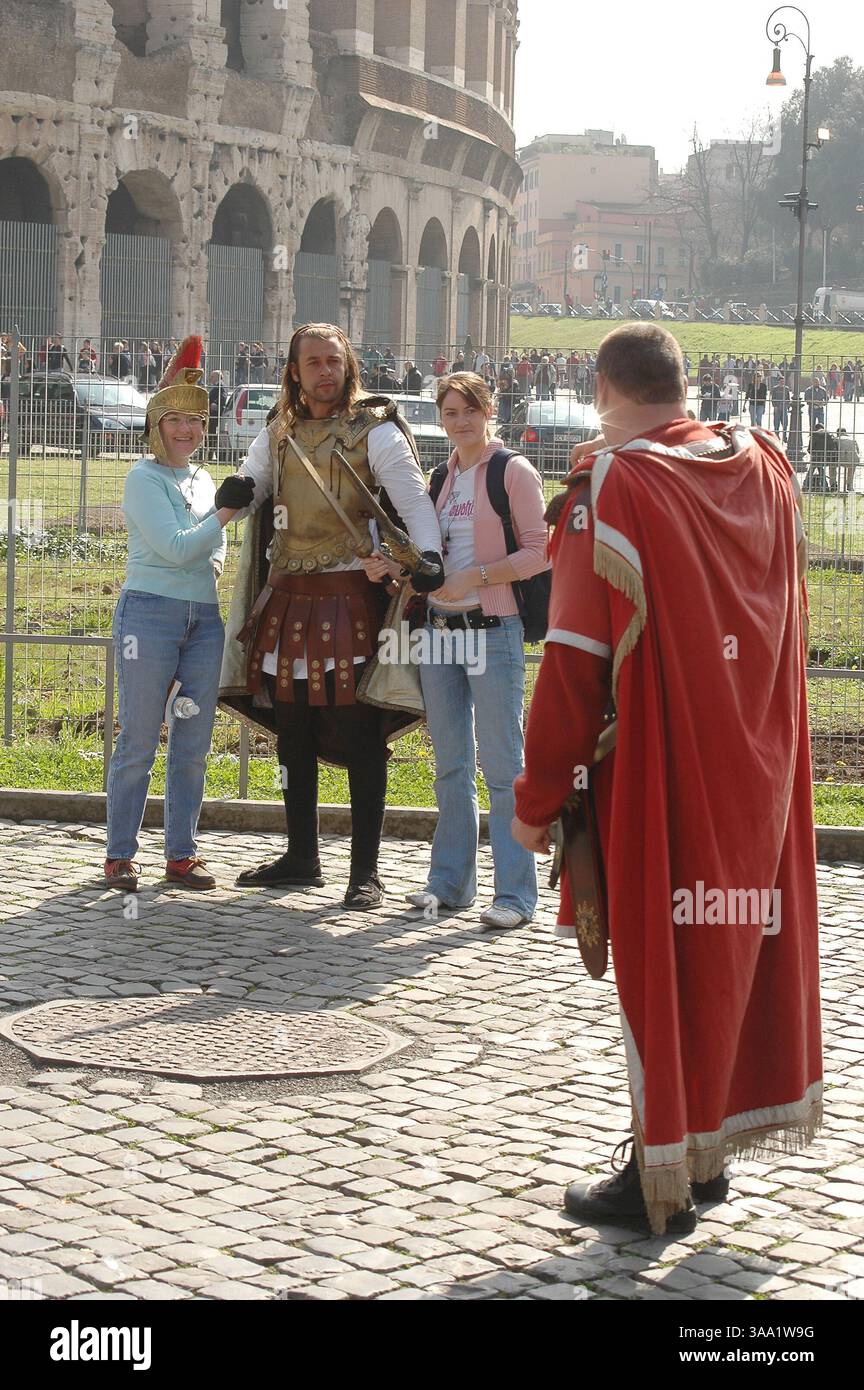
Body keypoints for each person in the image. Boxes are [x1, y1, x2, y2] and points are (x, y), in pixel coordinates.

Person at [511, 322, 821, 1235]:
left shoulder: (613, 490)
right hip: (758, 765)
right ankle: (706, 1156)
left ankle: (662, 1184)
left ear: (603, 388)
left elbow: (572, 663)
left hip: (659, 765)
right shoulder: (760, 462)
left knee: (662, 968)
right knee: (729, 954)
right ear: (681, 386)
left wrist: (534, 802)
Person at [217, 323, 443, 909]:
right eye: (312, 362)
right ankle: (301, 856)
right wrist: (238, 489)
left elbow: (413, 498)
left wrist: (430, 555)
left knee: (362, 734)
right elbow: (256, 483)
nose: (324, 371)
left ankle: (364, 871)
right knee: (292, 735)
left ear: (348, 366)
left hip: (352, 603)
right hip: (287, 599)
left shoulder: (376, 430)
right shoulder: (280, 430)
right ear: (294, 370)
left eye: (333, 361)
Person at [392, 372, 548, 929]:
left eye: (469, 410)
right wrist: (395, 569)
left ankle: (515, 894)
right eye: (450, 412)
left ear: (489, 411)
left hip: (492, 630)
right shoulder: (441, 477)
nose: (460, 421)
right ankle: (449, 883)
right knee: (450, 763)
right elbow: (432, 559)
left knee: (503, 765)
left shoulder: (512, 472)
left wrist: (477, 578)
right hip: (438, 632)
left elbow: (538, 552)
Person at [103, 336, 237, 893]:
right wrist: (224, 516)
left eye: (195, 422)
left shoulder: (201, 479)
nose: (186, 430)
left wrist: (216, 533)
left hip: (203, 619)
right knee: (138, 739)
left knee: (193, 742)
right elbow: (179, 547)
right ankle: (119, 855)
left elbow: (213, 551)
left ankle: (181, 853)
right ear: (156, 426)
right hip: (151, 615)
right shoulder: (142, 478)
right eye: (175, 420)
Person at [207, 370, 228, 460]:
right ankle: (209, 454)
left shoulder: (221, 386)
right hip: (212, 415)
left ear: (217, 377)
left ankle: (210, 455)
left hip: (215, 415)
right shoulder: (216, 386)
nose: (210, 379)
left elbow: (222, 398)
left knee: (212, 434)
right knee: (210, 434)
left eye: (212, 377)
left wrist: (214, 404)